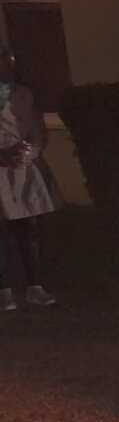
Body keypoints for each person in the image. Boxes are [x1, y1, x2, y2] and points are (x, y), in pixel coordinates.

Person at [0, 45, 58, 311]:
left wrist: (31, 150)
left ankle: (35, 286)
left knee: (30, 227)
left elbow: (37, 129)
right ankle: (4, 290)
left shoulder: (23, 94)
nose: (8, 65)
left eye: (10, 60)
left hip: (23, 168)